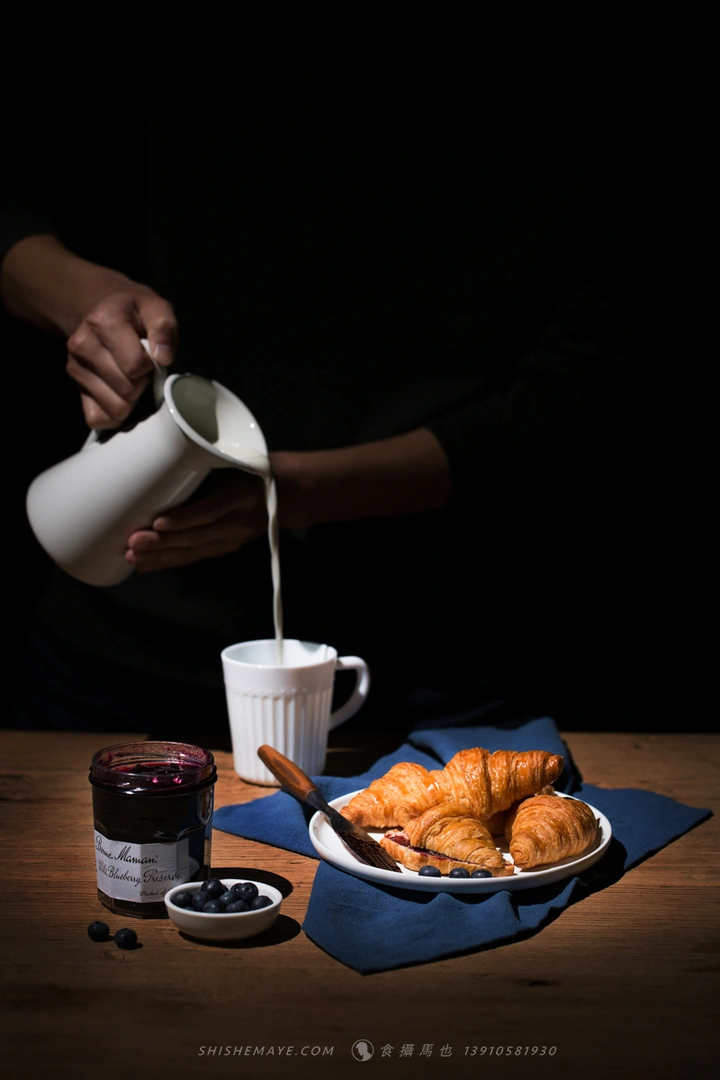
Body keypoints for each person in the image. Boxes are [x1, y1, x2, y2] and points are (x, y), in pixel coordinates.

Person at [2, 12, 676, 744]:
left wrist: (291, 489)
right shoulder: (168, 37)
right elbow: (13, 191)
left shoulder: (571, 89)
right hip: (115, 662)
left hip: (431, 668)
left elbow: (577, 402)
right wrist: (80, 297)